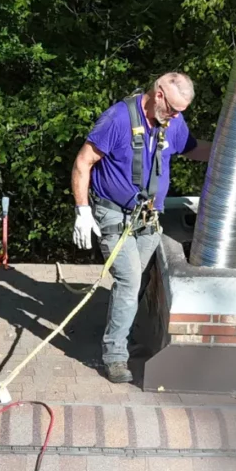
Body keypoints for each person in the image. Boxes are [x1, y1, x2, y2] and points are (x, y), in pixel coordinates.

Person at [71, 72, 212, 382]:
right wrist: (82, 211)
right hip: (113, 215)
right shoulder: (118, 119)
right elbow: (83, 162)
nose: (176, 117)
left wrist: (227, 153)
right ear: (158, 94)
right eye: (174, 108)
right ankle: (114, 356)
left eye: (181, 112)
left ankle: (124, 336)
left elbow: (191, 148)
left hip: (148, 218)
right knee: (130, 279)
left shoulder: (172, 124)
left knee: (142, 277)